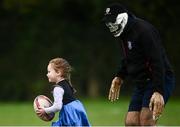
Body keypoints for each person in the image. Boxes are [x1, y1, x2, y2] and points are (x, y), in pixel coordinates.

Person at [102, 3, 175, 126]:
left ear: (122, 17)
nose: (110, 25)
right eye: (108, 22)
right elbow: (127, 58)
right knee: (131, 122)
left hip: (158, 78)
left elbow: (157, 61)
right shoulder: (123, 34)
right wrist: (119, 76)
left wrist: (158, 91)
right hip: (142, 83)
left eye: (112, 21)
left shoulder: (144, 30)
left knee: (146, 121)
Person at [36, 57, 90, 126]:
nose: (47, 74)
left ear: (58, 72)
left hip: (69, 113)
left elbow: (58, 106)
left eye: (49, 72)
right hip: (77, 109)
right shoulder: (66, 82)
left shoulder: (57, 88)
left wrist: (45, 110)